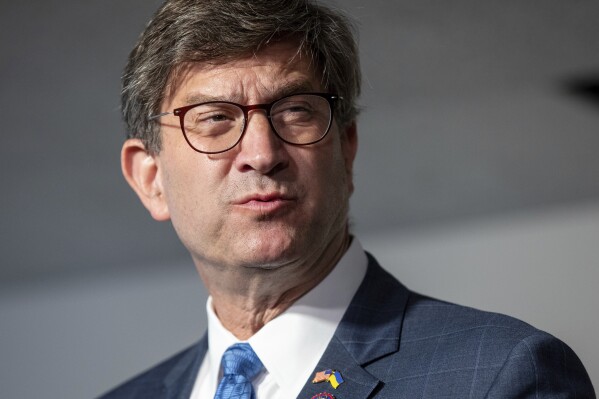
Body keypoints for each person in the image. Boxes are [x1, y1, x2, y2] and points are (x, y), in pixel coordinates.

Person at [100, 0, 595, 398]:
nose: (261, 153)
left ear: (347, 149)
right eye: (215, 118)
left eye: (295, 111)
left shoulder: (502, 374)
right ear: (150, 178)